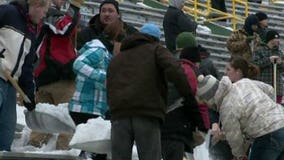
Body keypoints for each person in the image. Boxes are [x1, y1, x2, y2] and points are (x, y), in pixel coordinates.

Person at [107, 23, 198, 160]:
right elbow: (175, 69)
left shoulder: (118, 57)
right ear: (156, 39)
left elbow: (109, 84)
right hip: (147, 113)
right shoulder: (156, 50)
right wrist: (187, 95)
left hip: (120, 115)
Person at [197, 56, 284, 160]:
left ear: (210, 98)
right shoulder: (244, 82)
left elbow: (235, 138)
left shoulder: (226, 107)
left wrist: (240, 155)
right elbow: (270, 89)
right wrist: (271, 109)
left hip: (268, 134)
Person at [29, 0, 85, 150]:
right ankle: (64, 150)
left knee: (42, 120)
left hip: (43, 77)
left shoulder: (36, 17)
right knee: (67, 119)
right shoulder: (50, 15)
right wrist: (75, 6)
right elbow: (64, 28)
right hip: (59, 77)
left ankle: (33, 147)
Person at [69, 19, 125, 160]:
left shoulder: (107, 54)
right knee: (93, 152)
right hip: (85, 107)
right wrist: (103, 77)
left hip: (95, 107)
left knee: (97, 153)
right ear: (115, 40)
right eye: (122, 46)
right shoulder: (99, 50)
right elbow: (78, 64)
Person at [0, 0, 50, 151]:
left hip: (10, 85)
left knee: (7, 128)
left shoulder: (31, 30)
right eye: (44, 12)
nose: (43, 16)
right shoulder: (8, 12)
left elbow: (27, 67)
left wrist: (29, 96)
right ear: (37, 6)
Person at [161, 35, 206, 160]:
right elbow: (191, 98)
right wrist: (201, 124)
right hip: (177, 125)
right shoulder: (188, 70)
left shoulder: (168, 62)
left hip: (165, 122)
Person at [252, 30, 283, 104]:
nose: (278, 41)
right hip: (264, 87)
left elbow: (282, 69)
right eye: (276, 38)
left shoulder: (279, 52)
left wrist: (280, 63)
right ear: (271, 39)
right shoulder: (259, 50)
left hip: (277, 88)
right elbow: (255, 65)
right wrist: (269, 60)